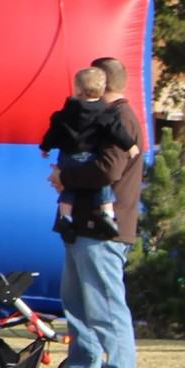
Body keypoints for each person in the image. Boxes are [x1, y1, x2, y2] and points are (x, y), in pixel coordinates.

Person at [38, 57, 142, 368]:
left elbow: (107, 170)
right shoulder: (98, 120)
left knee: (107, 312)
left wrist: (65, 177)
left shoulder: (120, 119)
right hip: (81, 227)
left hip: (104, 231)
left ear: (101, 86)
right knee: (79, 310)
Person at [40, 67, 139, 242]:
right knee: (102, 188)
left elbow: (108, 170)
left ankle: (65, 216)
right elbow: (116, 132)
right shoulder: (105, 114)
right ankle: (107, 213)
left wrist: (46, 148)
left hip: (69, 158)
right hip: (88, 157)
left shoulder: (66, 113)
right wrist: (130, 145)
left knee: (69, 191)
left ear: (78, 89)